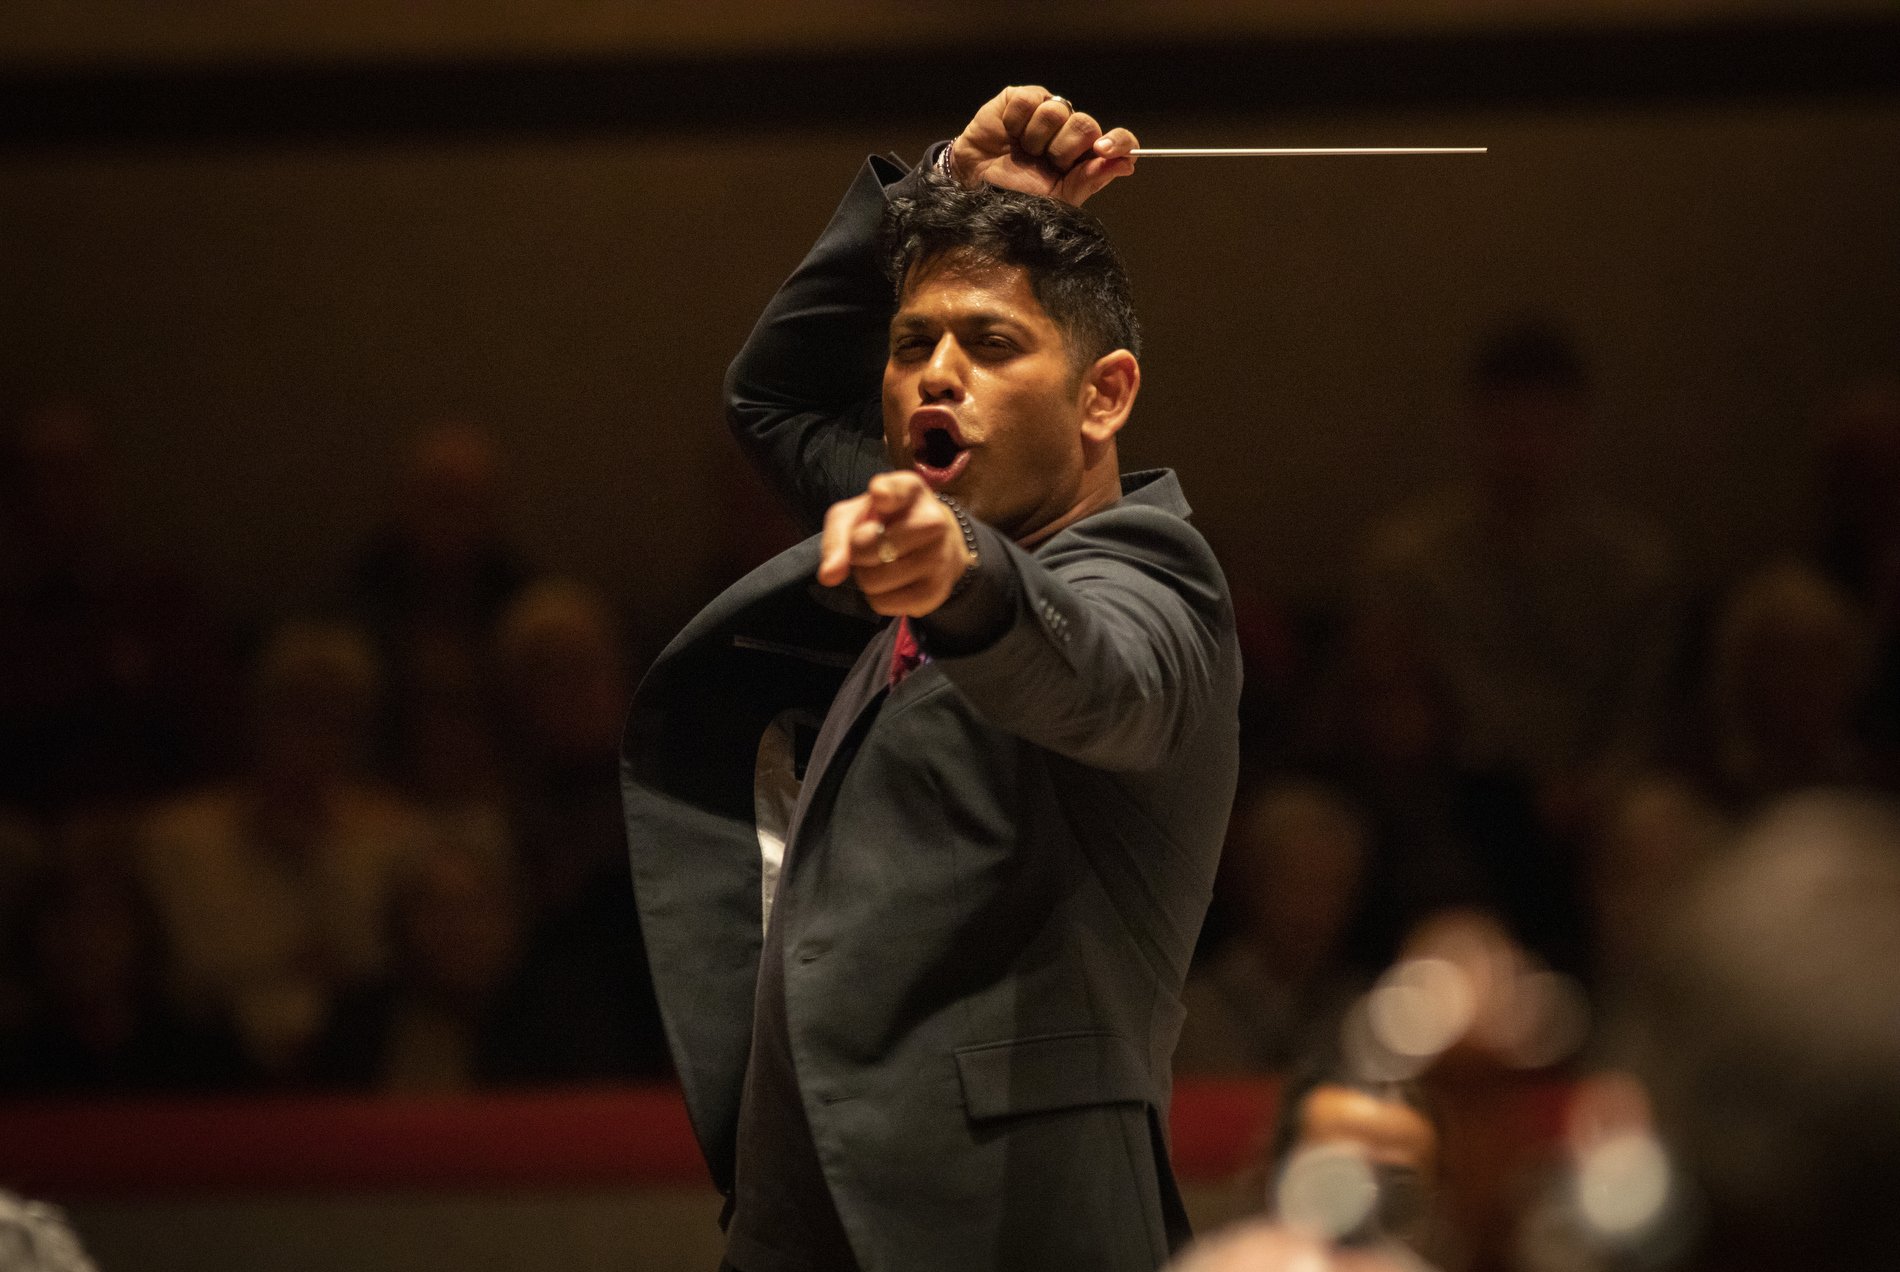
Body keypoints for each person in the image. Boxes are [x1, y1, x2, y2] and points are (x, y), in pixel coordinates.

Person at [621, 86, 1242, 1272]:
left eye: (993, 344)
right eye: (912, 346)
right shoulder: (929, 505)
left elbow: (1102, 676)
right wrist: (942, 188)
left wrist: (962, 572)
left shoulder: (1154, 574)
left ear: (1102, 394)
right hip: (808, 1216)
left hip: (1010, 1227)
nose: (933, 378)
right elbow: (775, 400)